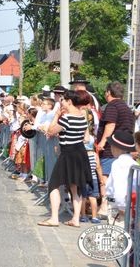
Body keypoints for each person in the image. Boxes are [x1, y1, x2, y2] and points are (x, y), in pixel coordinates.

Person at [37, 90, 93, 228]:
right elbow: (86, 138)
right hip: (80, 152)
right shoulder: (82, 117)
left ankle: (54, 218)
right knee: (75, 186)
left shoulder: (67, 118)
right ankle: (76, 219)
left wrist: (56, 116)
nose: (61, 102)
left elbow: (50, 130)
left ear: (69, 101)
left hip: (68, 153)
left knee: (54, 184)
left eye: (63, 100)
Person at [96, 81, 135, 218]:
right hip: (124, 147)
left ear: (108, 92)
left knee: (105, 178)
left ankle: (105, 207)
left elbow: (110, 125)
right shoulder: (125, 107)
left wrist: (102, 142)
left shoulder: (112, 106)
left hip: (111, 147)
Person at [104, 129, 137, 219]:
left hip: (118, 205)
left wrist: (121, 205)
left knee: (116, 231)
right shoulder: (133, 163)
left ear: (116, 148)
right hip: (130, 204)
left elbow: (120, 185)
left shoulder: (118, 163)